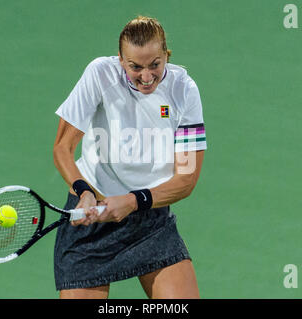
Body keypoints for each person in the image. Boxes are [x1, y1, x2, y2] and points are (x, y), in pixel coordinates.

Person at [53, 16, 206, 299]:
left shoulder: (184, 89)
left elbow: (186, 179)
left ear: (166, 56)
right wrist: (83, 191)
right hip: (92, 218)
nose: (146, 76)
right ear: (121, 60)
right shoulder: (99, 74)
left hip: (150, 221)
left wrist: (134, 201)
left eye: (155, 65)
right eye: (135, 66)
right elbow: (62, 148)